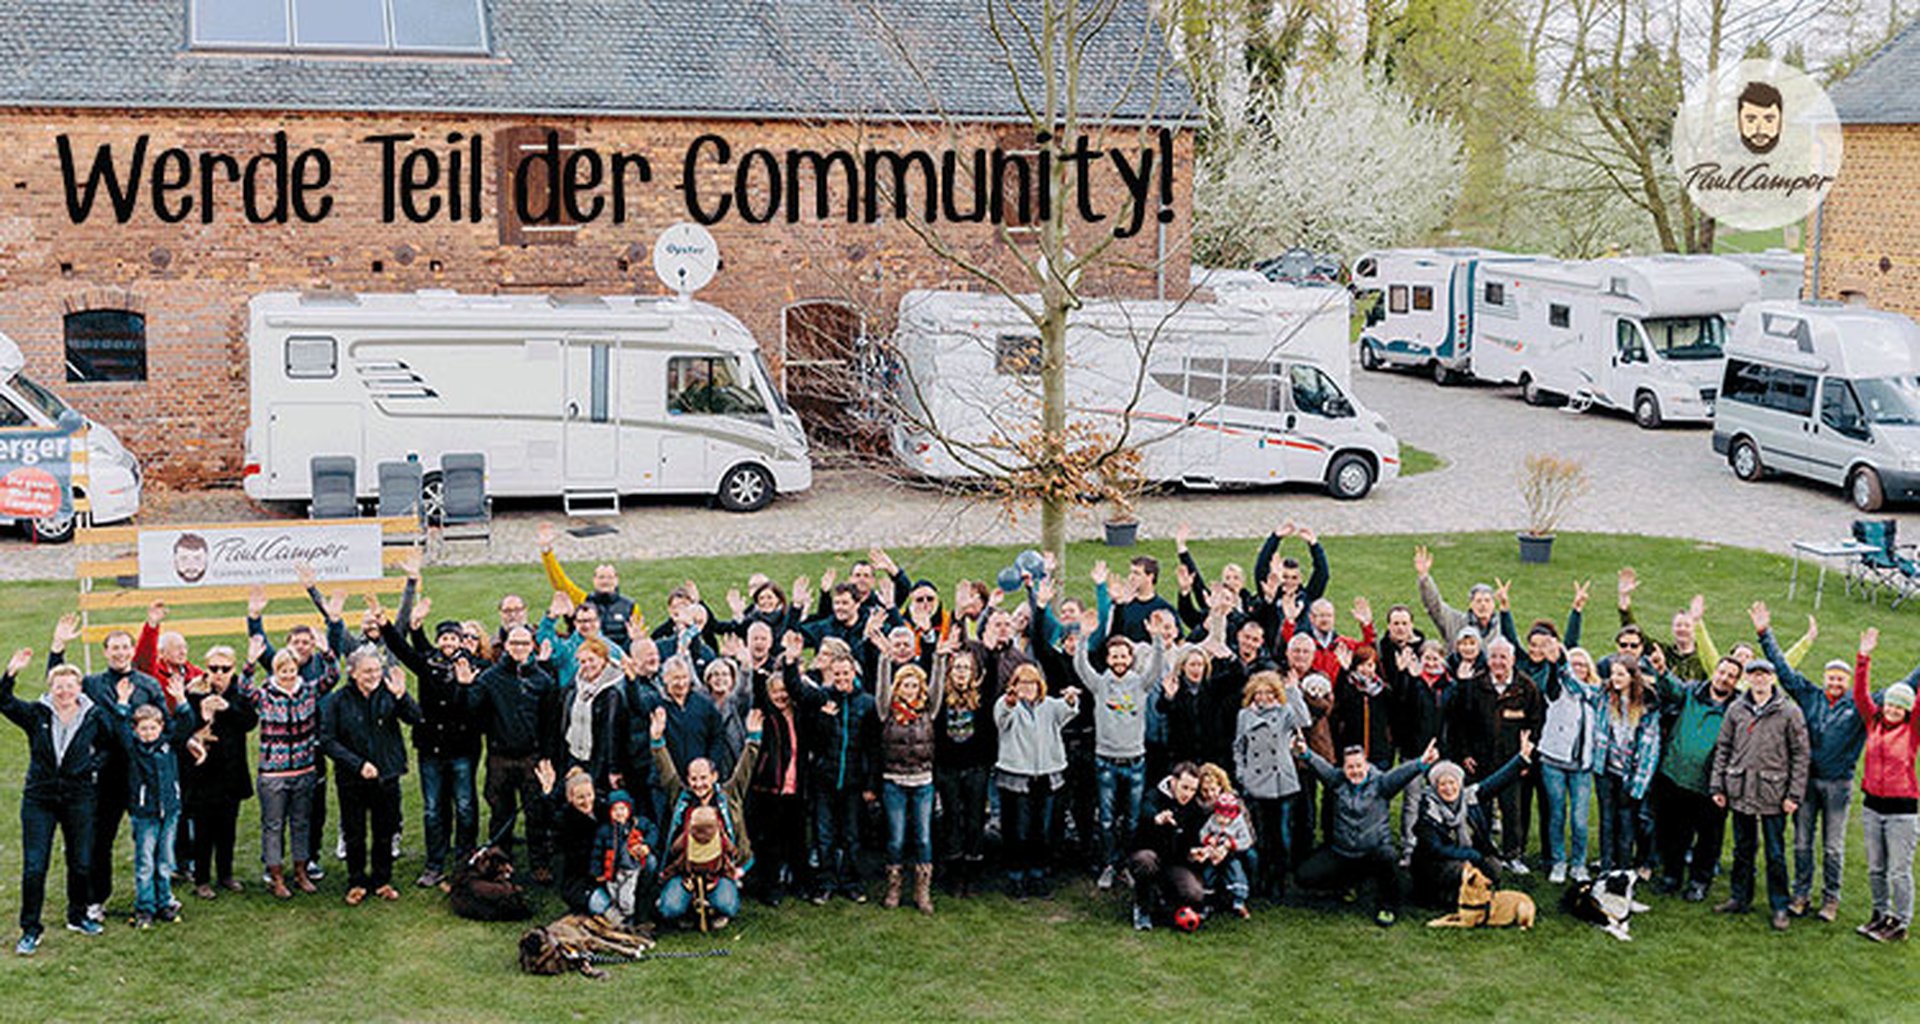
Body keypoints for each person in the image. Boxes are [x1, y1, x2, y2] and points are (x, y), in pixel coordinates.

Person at [1751, 601, 1866, 922]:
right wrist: (1764, 634)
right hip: (1804, 784)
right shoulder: (1810, 695)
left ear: (1847, 683)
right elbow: (1783, 673)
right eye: (1830, 678)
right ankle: (1800, 895)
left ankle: (1831, 899)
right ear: (1824, 678)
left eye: (1840, 680)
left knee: (1832, 847)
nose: (1834, 683)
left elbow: (1899, 692)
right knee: (1801, 843)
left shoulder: (1858, 708)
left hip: (1838, 786)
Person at [3, 652, 125, 954]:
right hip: (39, 798)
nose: (65, 691)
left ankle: (78, 915)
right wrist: (10, 674)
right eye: (59, 686)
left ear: (79, 688)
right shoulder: (37, 714)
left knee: (81, 861)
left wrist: (92, 766)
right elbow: (4, 702)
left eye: (70, 685)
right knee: (34, 866)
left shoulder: (94, 716)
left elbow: (112, 744)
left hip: (79, 797)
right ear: (50, 688)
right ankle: (30, 929)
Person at [48, 616, 162, 926]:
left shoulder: (148, 685)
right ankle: (96, 898)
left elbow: (164, 726)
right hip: (105, 776)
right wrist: (58, 649)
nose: (121, 653)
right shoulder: (93, 685)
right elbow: (60, 688)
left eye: (125, 647)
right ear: (105, 652)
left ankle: (153, 899)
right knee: (100, 841)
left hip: (141, 774)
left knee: (150, 840)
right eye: (114, 648)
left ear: (131, 650)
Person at [380, 582, 482, 889]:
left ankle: (465, 861)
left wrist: (464, 685)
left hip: (462, 749)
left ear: (461, 641)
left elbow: (473, 709)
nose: (449, 642)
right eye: (444, 638)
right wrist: (385, 623)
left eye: (453, 637)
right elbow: (402, 648)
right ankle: (434, 863)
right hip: (431, 749)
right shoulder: (428, 664)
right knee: (433, 809)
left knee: (465, 805)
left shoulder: (473, 666)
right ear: (439, 642)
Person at [1710, 658, 1810, 931]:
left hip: (1773, 793)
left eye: (1764, 674)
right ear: (1748, 679)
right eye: (1754, 674)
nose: (1759, 679)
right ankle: (1739, 898)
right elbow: (1723, 748)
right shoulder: (1736, 709)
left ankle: (1780, 905)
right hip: (1740, 789)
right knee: (1743, 849)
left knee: (1775, 853)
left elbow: (1801, 755)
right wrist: (1718, 786)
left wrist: (1794, 795)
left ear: (1773, 678)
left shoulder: (1790, 712)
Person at [1297, 737, 1439, 926]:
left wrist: (1421, 762)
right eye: (1350, 767)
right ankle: (1348, 884)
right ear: (1344, 769)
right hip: (1343, 852)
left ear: (1367, 765)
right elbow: (1320, 766)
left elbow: (1401, 774)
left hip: (1373, 851)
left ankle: (1388, 905)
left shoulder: (1381, 783)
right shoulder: (1337, 780)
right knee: (1304, 875)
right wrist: (1305, 752)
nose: (1355, 771)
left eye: (1358, 766)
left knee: (1388, 856)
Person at [321, 648, 423, 905]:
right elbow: (327, 740)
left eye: (377, 670)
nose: (374, 675)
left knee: (385, 830)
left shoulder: (389, 692)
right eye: (367, 671)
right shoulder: (338, 700)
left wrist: (402, 696)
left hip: (387, 774)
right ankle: (356, 881)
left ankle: (382, 880)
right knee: (354, 831)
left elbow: (415, 717)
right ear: (353, 673)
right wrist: (357, 765)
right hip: (352, 778)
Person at [460, 625, 561, 881]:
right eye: (514, 643)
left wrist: (547, 756)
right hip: (500, 757)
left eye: (524, 644)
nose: (519, 648)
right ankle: (500, 863)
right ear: (506, 646)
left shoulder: (543, 680)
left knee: (535, 813)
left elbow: (550, 722)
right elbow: (471, 712)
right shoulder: (490, 678)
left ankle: (539, 863)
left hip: (532, 757)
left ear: (532, 647)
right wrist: (464, 688)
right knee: (500, 813)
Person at [1071, 622, 1166, 891]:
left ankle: (1128, 865)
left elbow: (1156, 667)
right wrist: (1083, 640)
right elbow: (1081, 667)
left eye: (1124, 655)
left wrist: (1156, 639)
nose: (1119, 660)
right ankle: (1109, 865)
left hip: (1135, 762)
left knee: (1133, 820)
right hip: (1106, 762)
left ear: (1130, 658)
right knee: (1106, 819)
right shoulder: (1101, 684)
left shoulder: (1140, 683)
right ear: (1108, 659)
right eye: (1114, 656)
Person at [650, 704, 763, 928]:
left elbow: (745, 768)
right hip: (685, 870)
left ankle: (714, 906)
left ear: (714, 776)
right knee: (668, 909)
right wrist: (656, 740)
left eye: (703, 778)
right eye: (694, 779)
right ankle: (688, 908)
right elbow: (666, 769)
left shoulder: (729, 795)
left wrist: (753, 738)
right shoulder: (681, 797)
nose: (699, 784)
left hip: (720, 870)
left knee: (728, 905)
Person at [787, 637, 877, 905]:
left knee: (851, 836)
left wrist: (871, 784)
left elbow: (873, 749)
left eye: (845, 673)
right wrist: (791, 662)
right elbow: (797, 692)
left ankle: (851, 882)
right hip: (824, 780)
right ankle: (825, 882)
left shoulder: (867, 704)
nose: (841, 678)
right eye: (837, 674)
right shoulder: (823, 698)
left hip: (853, 781)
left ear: (854, 672)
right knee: (824, 835)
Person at [1446, 636, 1543, 873]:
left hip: (1512, 761)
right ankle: (1484, 853)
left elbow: (1537, 723)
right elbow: (1460, 722)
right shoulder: (1475, 685)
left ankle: (1513, 855)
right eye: (1494, 657)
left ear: (1512, 659)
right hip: (1480, 761)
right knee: (1482, 810)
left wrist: (1527, 757)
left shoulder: (1526, 687)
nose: (1498, 662)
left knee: (1513, 810)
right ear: (1487, 659)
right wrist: (1465, 753)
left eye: (1503, 657)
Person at [234, 641, 323, 897]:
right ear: (274, 672)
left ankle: (300, 872)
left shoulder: (307, 691)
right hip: (273, 773)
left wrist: (327, 650)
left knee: (301, 823)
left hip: (304, 769)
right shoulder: (264, 696)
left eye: (292, 669)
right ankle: (276, 876)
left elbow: (332, 676)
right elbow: (243, 688)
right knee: (273, 825)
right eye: (282, 670)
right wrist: (250, 662)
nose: (288, 675)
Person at [1651, 652, 1742, 902]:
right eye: (1722, 672)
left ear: (1736, 682)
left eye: (1732, 676)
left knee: (1708, 838)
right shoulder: (1692, 693)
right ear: (1715, 672)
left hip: (1711, 786)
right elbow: (1673, 689)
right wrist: (1661, 671)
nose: (1724, 679)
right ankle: (1672, 876)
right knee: (1674, 832)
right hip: (1676, 776)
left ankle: (1699, 881)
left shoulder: (1738, 709)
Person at [1410, 732, 1535, 906]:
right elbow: (1436, 848)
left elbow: (1496, 781)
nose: (1449, 788)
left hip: (1469, 854)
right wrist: (1470, 855)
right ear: (1435, 787)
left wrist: (1521, 759)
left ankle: (1474, 892)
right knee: (1460, 869)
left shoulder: (1470, 797)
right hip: (1437, 864)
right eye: (1443, 784)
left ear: (1460, 783)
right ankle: (1444, 897)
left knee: (1494, 868)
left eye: (1452, 783)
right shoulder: (1429, 811)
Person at [994, 662, 1080, 899]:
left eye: (1032, 683)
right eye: (1022, 683)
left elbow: (1068, 711)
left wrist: (1071, 699)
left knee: (1040, 830)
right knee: (1017, 830)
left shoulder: (1049, 705)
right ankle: (1016, 877)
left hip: (1046, 775)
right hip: (1016, 776)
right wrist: (1010, 703)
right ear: (1014, 685)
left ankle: (1037, 874)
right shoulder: (1006, 704)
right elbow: (1001, 720)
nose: (1028, 688)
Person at [1852, 629, 1917, 943]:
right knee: (1876, 868)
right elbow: (1860, 695)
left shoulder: (1913, 730)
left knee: (1898, 871)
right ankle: (1879, 914)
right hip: (1872, 806)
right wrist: (1863, 657)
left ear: (1906, 710)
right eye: (1889, 705)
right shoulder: (1873, 722)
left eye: (1898, 707)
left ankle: (1900, 923)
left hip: (1902, 810)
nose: (1892, 710)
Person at [178, 645, 257, 900]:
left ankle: (226, 874)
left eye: (225, 669)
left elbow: (250, 722)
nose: (219, 674)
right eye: (213, 669)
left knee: (227, 829)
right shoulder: (195, 692)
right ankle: (201, 879)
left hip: (231, 774)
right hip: (203, 774)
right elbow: (184, 728)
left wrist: (227, 708)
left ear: (233, 669)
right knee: (203, 831)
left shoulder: (239, 693)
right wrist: (203, 714)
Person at [875, 652, 944, 914]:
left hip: (922, 781)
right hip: (894, 781)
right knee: (896, 838)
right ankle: (894, 886)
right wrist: (884, 660)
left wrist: (938, 658)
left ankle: (922, 889)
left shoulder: (928, 711)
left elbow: (937, 685)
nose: (910, 690)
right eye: (905, 684)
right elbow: (881, 687)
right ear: (898, 687)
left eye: (915, 685)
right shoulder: (887, 710)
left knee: (924, 838)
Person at [1234, 670, 1311, 899]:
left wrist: (1293, 691)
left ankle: (1279, 880)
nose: (1264, 697)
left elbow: (1304, 720)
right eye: (1259, 693)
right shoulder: (1245, 715)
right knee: (1260, 834)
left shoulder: (1285, 711)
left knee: (1283, 835)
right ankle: (1260, 879)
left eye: (1269, 693)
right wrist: (1242, 774)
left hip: (1282, 782)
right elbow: (1239, 746)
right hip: (1256, 781)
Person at [933, 641, 994, 895]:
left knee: (974, 820)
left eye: (965, 668)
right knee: (951, 819)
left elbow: (990, 735)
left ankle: (973, 870)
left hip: (975, 769)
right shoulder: (940, 700)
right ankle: (954, 871)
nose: (960, 672)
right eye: (957, 668)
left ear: (974, 673)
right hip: (948, 769)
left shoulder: (982, 699)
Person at [1535, 636, 1597, 883]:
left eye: (1583, 665)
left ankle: (1579, 864)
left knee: (1580, 820)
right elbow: (1557, 678)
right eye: (1574, 664)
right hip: (1554, 762)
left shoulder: (1596, 693)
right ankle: (1558, 861)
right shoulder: (1558, 688)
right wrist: (1558, 661)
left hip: (1582, 765)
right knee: (1557, 815)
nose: (1578, 668)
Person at [1593, 658, 1661, 875]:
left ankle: (1622, 870)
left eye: (1621, 674)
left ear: (1633, 677)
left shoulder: (1646, 706)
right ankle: (1606, 866)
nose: (1615, 679)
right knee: (1606, 821)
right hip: (1606, 769)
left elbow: (1649, 749)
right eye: (1613, 674)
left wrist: (1638, 786)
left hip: (1628, 775)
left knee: (1626, 824)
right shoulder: (1605, 696)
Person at [122, 703, 186, 930]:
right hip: (145, 814)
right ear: (135, 730)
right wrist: (122, 705)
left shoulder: (169, 746)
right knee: (145, 862)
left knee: (165, 860)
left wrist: (182, 702)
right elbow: (121, 731)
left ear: (161, 727)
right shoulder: (133, 750)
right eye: (143, 729)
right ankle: (145, 907)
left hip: (169, 811)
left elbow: (185, 725)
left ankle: (165, 902)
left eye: (152, 728)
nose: (148, 734)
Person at [1128, 762, 1210, 930]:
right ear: (1173, 782)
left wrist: (1194, 853)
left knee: (1194, 894)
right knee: (1146, 861)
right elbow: (1145, 813)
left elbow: (1191, 842)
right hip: (1149, 855)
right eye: (1184, 787)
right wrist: (1156, 820)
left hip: (1174, 862)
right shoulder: (1153, 796)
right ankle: (1142, 908)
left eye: (1193, 790)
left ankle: (1163, 899)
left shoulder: (1194, 808)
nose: (1188, 794)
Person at [536, 523, 639, 651]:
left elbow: (638, 637)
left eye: (609, 577)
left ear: (617, 580)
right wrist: (546, 552)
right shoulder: (582, 601)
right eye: (601, 577)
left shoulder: (631, 606)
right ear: (594, 580)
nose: (605, 581)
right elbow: (559, 582)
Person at [590, 789, 655, 928]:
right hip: (613, 870)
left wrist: (646, 844)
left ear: (629, 809)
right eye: (615, 810)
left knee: (626, 896)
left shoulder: (637, 824)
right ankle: (619, 921)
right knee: (614, 895)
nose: (619, 813)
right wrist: (596, 871)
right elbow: (597, 852)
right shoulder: (606, 830)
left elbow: (652, 830)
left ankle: (630, 917)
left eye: (622, 808)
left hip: (632, 868)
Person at [1197, 766, 1255, 918]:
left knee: (1236, 869)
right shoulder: (1209, 815)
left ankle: (1239, 899)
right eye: (1204, 790)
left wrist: (1229, 846)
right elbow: (1202, 832)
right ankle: (1207, 902)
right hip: (1211, 852)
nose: (1210, 794)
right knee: (1208, 873)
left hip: (1233, 850)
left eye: (1213, 789)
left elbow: (1248, 837)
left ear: (1221, 787)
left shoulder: (1235, 807)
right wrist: (1209, 842)